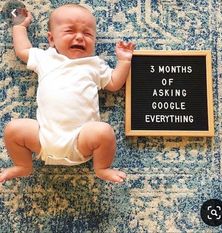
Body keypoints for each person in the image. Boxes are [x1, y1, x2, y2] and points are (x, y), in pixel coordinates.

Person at [0, 4, 135, 183]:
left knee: (103, 131)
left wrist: (124, 61)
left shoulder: (94, 64)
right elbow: (22, 50)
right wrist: (19, 27)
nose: (79, 37)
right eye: (70, 31)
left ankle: (102, 168)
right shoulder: (46, 58)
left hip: (81, 141)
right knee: (14, 129)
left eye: (87, 34)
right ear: (51, 39)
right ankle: (23, 166)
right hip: (43, 140)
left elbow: (114, 83)